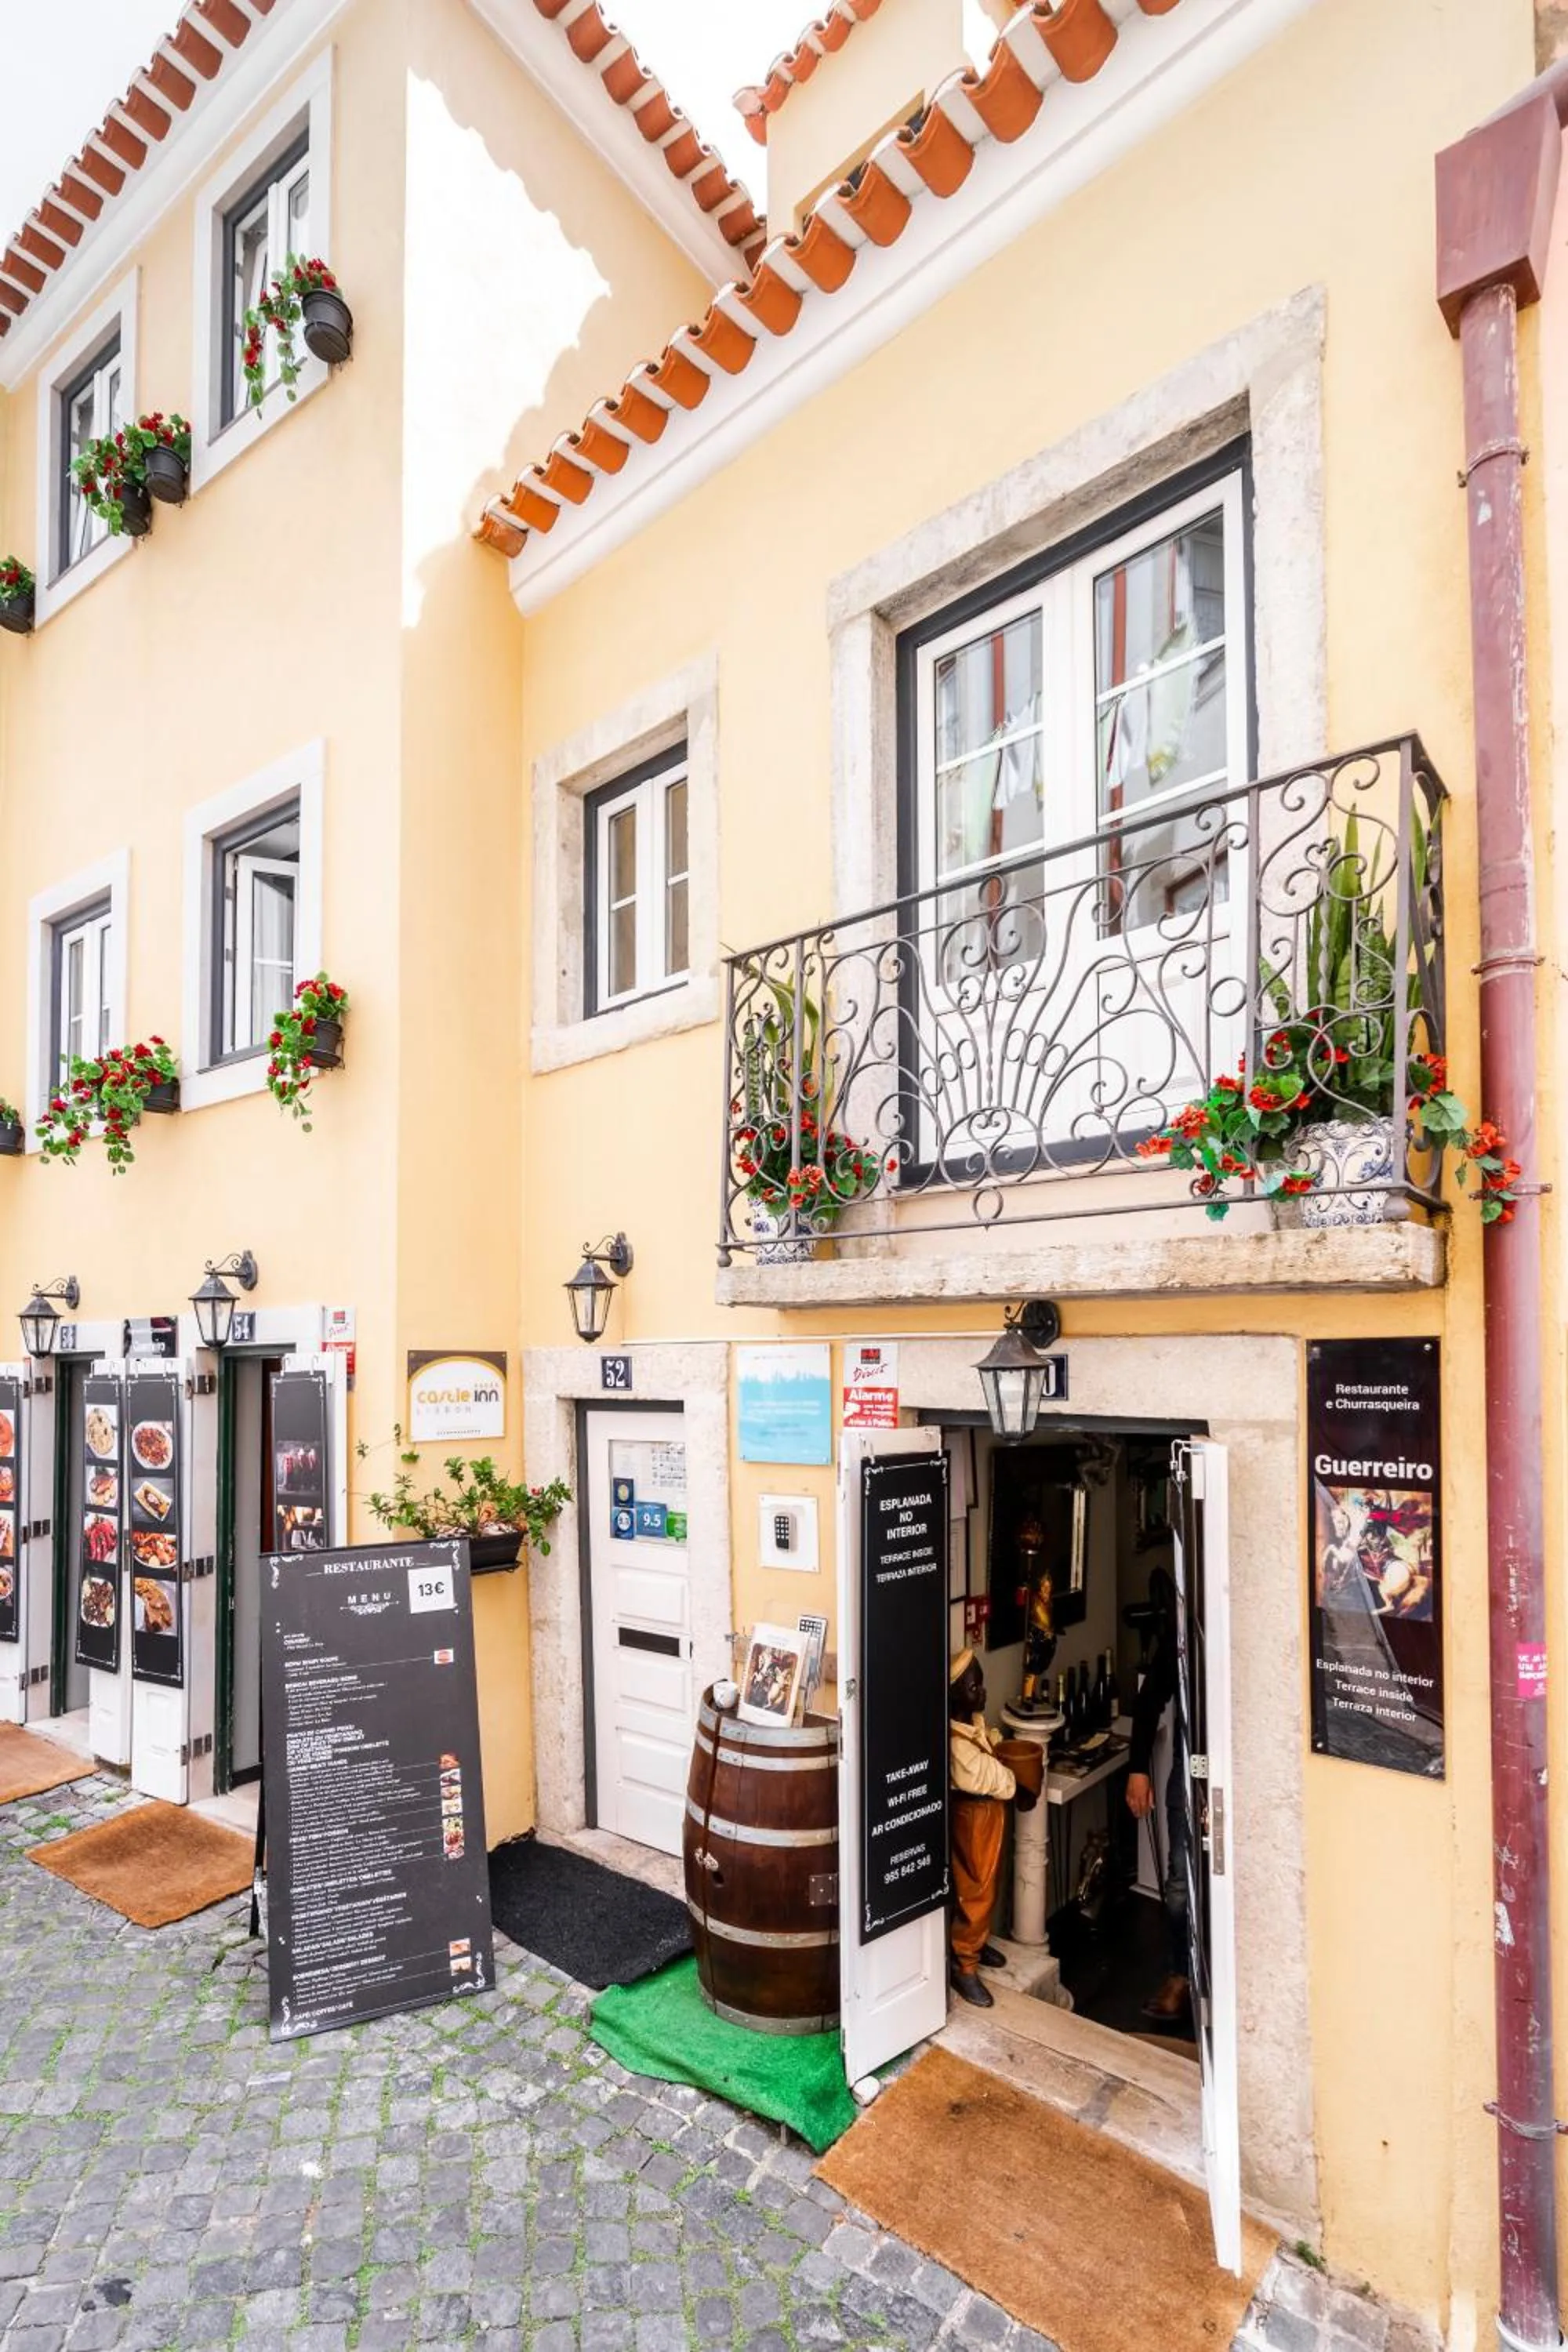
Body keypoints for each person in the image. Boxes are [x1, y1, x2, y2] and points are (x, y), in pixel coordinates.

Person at [949, 1648, 1036, 2009]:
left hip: (990, 1816)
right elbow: (997, 1780)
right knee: (976, 1888)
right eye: (975, 1687)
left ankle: (978, 1942)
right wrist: (1019, 1778)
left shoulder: (974, 1725)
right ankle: (964, 1963)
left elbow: (992, 1746)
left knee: (988, 1883)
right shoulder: (957, 1745)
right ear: (955, 1697)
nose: (983, 1692)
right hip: (974, 1818)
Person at [1124, 1598, 1192, 2029]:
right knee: (1179, 1884)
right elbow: (1150, 1701)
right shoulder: (1182, 1639)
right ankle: (1180, 1976)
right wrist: (1137, 1770)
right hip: (1189, 1769)